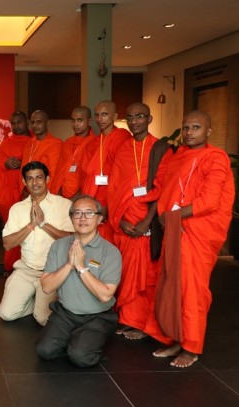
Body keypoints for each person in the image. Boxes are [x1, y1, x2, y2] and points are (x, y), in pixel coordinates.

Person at [144, 110, 234, 368]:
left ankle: (191, 347)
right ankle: (174, 337)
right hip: (174, 230)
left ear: (208, 132)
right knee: (171, 286)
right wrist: (165, 215)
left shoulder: (215, 158)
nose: (189, 132)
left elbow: (209, 201)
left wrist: (174, 215)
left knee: (192, 290)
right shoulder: (179, 155)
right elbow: (166, 189)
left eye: (196, 127)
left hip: (197, 233)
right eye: (185, 127)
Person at [36, 195, 122, 367]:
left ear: (99, 218)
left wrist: (82, 267)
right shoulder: (59, 246)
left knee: (80, 357)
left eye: (89, 213)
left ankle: (85, 343)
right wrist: (70, 264)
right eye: (77, 213)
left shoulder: (110, 252)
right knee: (44, 351)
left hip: (97, 315)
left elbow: (105, 296)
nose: (83, 218)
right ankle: (77, 339)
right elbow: (46, 287)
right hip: (66, 313)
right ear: (71, 218)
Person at [107, 103, 160, 340]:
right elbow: (114, 187)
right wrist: (119, 220)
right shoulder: (124, 149)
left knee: (145, 276)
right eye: (130, 117)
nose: (134, 121)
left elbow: (165, 188)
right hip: (125, 221)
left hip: (146, 222)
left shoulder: (159, 148)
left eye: (139, 116)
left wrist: (147, 221)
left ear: (149, 119)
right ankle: (128, 319)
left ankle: (143, 325)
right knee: (126, 274)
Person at [0, 161, 74, 325]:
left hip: (52, 271)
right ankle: (32, 300)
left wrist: (43, 224)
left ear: (47, 179)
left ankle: (42, 303)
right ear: (24, 183)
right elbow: (7, 244)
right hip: (26, 270)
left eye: (39, 178)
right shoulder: (17, 208)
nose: (35, 183)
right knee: (7, 314)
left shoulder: (64, 205)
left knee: (43, 319)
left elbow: (72, 240)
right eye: (30, 179)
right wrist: (31, 225)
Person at [80, 100, 132, 243]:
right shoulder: (93, 143)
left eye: (104, 114)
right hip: (92, 198)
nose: (100, 119)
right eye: (97, 115)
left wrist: (110, 205)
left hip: (110, 198)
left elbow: (123, 174)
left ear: (114, 115)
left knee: (107, 241)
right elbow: (85, 174)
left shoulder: (122, 137)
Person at [0, 111, 32, 274]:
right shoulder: (6, 143)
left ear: (26, 122)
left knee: (25, 227)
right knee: (12, 227)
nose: (16, 126)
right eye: (13, 123)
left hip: (24, 191)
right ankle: (11, 264)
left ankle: (23, 264)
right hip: (8, 192)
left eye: (19, 122)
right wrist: (7, 164)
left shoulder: (32, 142)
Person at [50, 106, 95, 198]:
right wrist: (59, 195)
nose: (75, 124)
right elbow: (59, 172)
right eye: (73, 120)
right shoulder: (67, 142)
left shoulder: (94, 143)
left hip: (81, 197)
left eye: (79, 120)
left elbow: (89, 177)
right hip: (62, 196)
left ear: (89, 122)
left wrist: (75, 199)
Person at [21, 110, 63, 195]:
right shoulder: (29, 143)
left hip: (45, 192)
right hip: (27, 191)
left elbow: (53, 173)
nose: (35, 126)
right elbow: (22, 169)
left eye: (39, 122)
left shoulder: (56, 143)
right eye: (32, 122)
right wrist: (24, 189)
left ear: (47, 123)